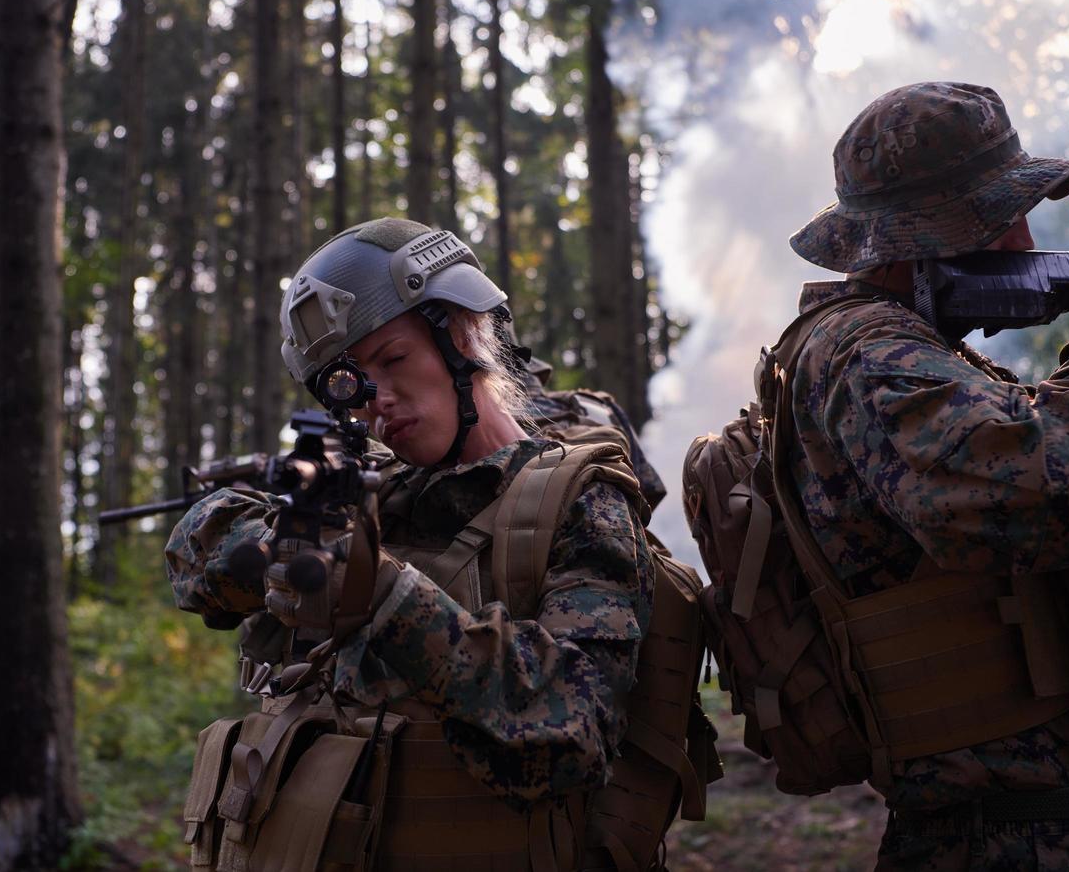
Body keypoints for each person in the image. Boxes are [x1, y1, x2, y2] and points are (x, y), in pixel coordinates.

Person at [771, 81, 1069, 870]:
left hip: (1042, 824)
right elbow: (1018, 494)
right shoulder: (867, 354)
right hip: (993, 838)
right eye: (997, 217)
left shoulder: (927, 355)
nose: (1024, 240)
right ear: (924, 234)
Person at [165, 219, 683, 870]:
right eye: (349, 384)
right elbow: (193, 551)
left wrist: (381, 595)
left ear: (465, 333)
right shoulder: (373, 489)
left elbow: (573, 732)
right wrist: (280, 549)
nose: (378, 401)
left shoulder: (581, 503)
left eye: (393, 359)